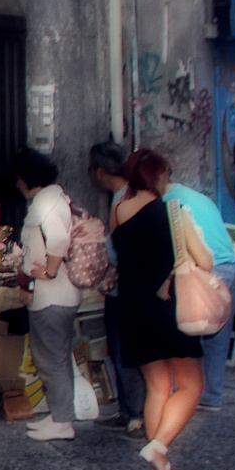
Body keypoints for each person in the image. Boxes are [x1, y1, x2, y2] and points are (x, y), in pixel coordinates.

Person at [111, 148, 212, 470]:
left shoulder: (118, 211)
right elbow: (206, 261)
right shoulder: (172, 211)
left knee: (157, 388)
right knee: (191, 385)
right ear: (159, 176)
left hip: (131, 308)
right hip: (168, 307)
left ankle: (159, 469)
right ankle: (159, 447)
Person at [157, 166, 235, 411]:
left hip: (206, 271)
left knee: (185, 333)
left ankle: (183, 394)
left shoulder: (167, 202)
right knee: (217, 339)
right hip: (232, 271)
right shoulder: (201, 198)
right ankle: (211, 397)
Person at [13, 148, 83, 442]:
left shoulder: (47, 203)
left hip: (53, 295)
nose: (17, 185)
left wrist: (50, 272)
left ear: (28, 179)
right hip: (53, 295)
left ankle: (63, 421)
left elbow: (58, 239)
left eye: (19, 179)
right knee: (54, 358)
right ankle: (58, 416)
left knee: (51, 360)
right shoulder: (52, 199)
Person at [89, 141, 144, 435]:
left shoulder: (123, 201)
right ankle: (133, 410)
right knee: (127, 352)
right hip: (131, 288)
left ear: (100, 172)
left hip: (124, 290)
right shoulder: (131, 195)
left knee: (123, 352)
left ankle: (134, 413)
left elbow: (121, 251)